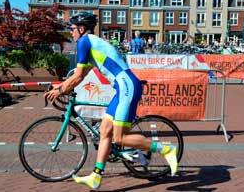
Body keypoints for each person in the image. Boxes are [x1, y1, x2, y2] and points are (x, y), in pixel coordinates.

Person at [44, 12, 178, 189]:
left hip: (126, 88)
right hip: (122, 88)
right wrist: (60, 87)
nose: (71, 32)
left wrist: (60, 90)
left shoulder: (85, 42)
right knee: (105, 131)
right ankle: (96, 177)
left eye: (73, 29)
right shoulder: (90, 43)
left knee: (119, 137)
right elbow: (81, 75)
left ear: (82, 29)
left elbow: (76, 78)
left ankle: (166, 149)